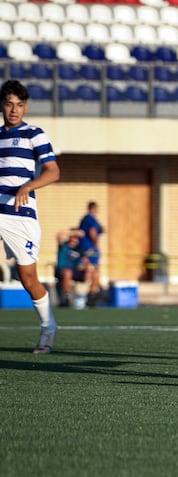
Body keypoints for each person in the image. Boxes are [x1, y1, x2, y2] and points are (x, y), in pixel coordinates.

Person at [0, 79, 60, 353]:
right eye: (10, 104)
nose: (14, 110)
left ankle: (48, 326)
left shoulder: (33, 133)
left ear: (25, 107)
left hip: (20, 215)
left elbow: (52, 171)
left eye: (20, 105)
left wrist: (28, 185)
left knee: (28, 279)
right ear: (2, 105)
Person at [55, 228, 89, 307]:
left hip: (74, 271)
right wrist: (74, 232)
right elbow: (59, 235)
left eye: (77, 238)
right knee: (68, 272)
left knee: (92, 273)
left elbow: (86, 261)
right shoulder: (63, 245)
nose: (75, 239)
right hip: (62, 270)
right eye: (74, 237)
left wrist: (86, 268)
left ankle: (85, 297)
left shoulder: (78, 249)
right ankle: (66, 297)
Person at [78, 200, 103, 307]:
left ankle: (91, 295)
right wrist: (96, 244)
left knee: (94, 272)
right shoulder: (90, 218)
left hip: (87, 249)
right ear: (92, 208)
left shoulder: (87, 219)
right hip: (89, 249)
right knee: (91, 272)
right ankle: (86, 296)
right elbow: (92, 232)